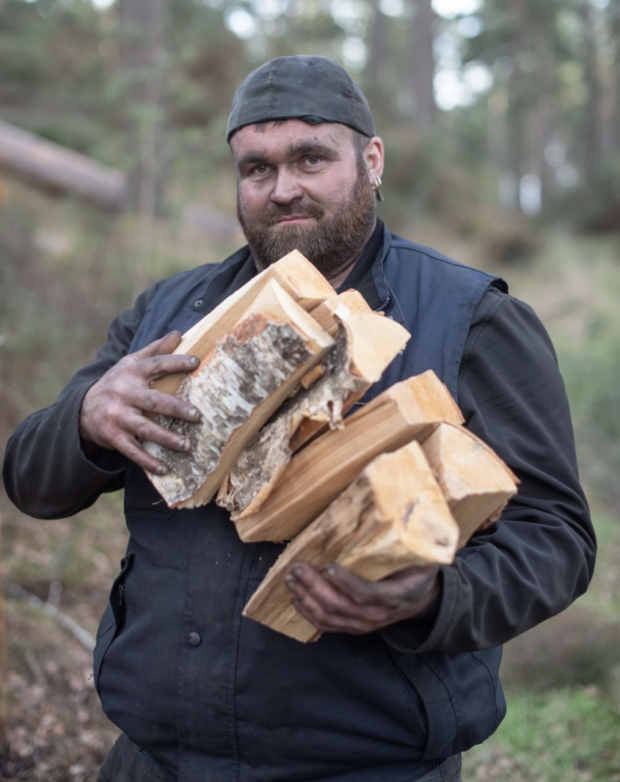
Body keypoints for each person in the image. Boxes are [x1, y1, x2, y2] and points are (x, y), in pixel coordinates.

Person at [3, 56, 595, 782]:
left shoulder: (473, 319)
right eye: (256, 169)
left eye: (310, 159)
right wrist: (86, 421)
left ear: (372, 161)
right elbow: (30, 482)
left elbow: (556, 538)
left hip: (364, 765)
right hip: (154, 760)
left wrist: (435, 597)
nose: (283, 188)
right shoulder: (170, 313)